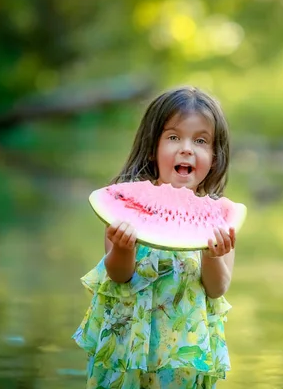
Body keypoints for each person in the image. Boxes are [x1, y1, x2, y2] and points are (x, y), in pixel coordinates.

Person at [72, 86, 236, 389]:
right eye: (173, 137)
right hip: (126, 346)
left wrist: (212, 255)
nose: (186, 148)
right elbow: (119, 276)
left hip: (183, 352)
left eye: (200, 141)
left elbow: (217, 289)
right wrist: (122, 249)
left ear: (214, 157)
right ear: (152, 147)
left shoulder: (217, 217)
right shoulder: (128, 207)